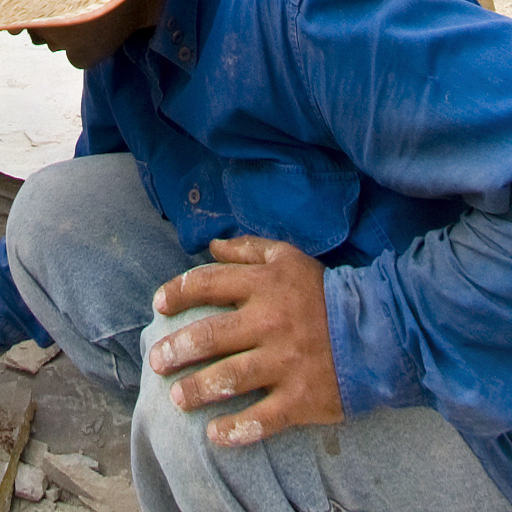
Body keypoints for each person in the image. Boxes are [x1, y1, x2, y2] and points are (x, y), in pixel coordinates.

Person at [1, 0, 512, 510]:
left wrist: (354, 331)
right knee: (51, 215)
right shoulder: (122, 50)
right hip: (373, 346)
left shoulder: (318, 19)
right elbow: (100, 197)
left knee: (196, 402)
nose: (16, 31)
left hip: (475, 406)